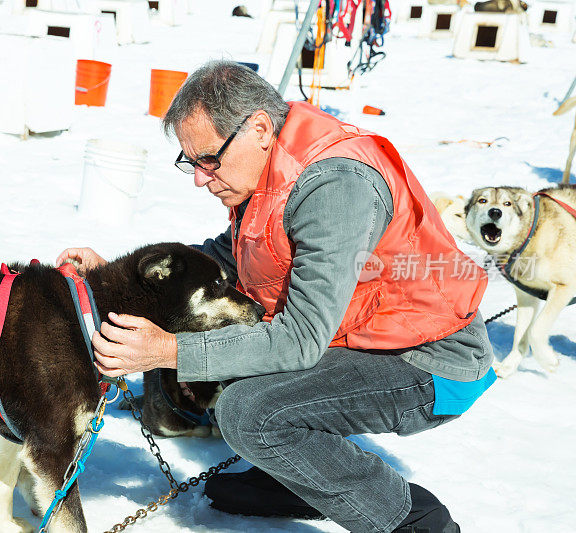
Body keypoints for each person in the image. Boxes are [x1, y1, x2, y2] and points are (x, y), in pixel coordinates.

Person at [56, 60, 496, 533]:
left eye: (208, 159)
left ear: (259, 128)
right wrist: (124, 278)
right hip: (362, 338)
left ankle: (413, 520)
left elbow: (301, 339)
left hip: (430, 359)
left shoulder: (335, 188)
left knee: (248, 411)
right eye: (191, 162)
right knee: (235, 368)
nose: (200, 178)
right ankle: (298, 477)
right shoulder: (265, 172)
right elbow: (227, 260)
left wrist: (169, 351)